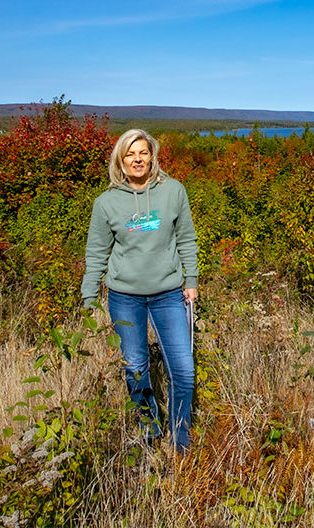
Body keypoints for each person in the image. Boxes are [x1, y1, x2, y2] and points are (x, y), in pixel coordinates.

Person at [80, 128, 198, 452]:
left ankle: (180, 441)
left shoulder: (173, 191)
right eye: (130, 153)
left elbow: (186, 239)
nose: (137, 159)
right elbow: (96, 252)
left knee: (184, 371)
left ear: (152, 156)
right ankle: (149, 430)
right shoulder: (106, 203)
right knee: (135, 368)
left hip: (169, 294)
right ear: (120, 159)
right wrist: (90, 296)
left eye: (143, 152)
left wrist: (191, 281)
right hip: (124, 297)